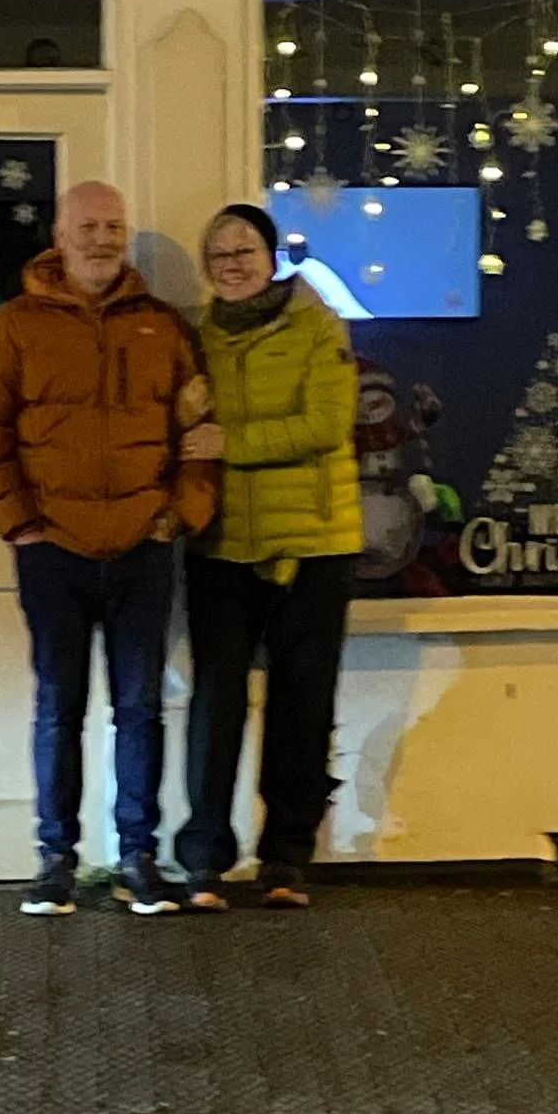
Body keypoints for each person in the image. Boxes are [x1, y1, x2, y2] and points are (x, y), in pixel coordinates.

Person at [0, 182, 218, 917]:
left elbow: (201, 431)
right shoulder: (13, 327)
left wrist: (180, 515)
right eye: (88, 226)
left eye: (113, 227)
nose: (101, 239)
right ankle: (56, 861)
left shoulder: (163, 328)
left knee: (140, 709)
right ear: (59, 235)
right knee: (58, 709)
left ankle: (139, 859)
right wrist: (17, 521)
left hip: (142, 548)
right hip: (53, 551)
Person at [175, 203, 363, 910]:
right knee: (215, 706)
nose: (232, 264)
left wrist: (231, 441)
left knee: (301, 705)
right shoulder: (194, 337)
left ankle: (285, 859)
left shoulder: (317, 325)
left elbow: (326, 424)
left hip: (314, 542)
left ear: (271, 255)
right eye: (219, 253)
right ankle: (204, 860)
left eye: (244, 250)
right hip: (222, 541)